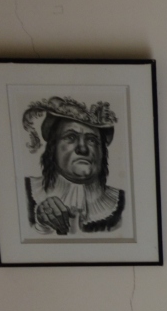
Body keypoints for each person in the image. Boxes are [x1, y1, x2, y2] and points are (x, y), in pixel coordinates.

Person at [22, 96, 124, 235]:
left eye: (92, 140)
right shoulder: (25, 191)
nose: (83, 148)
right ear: (53, 148)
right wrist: (41, 225)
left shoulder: (122, 204)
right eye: (71, 137)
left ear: (102, 152)